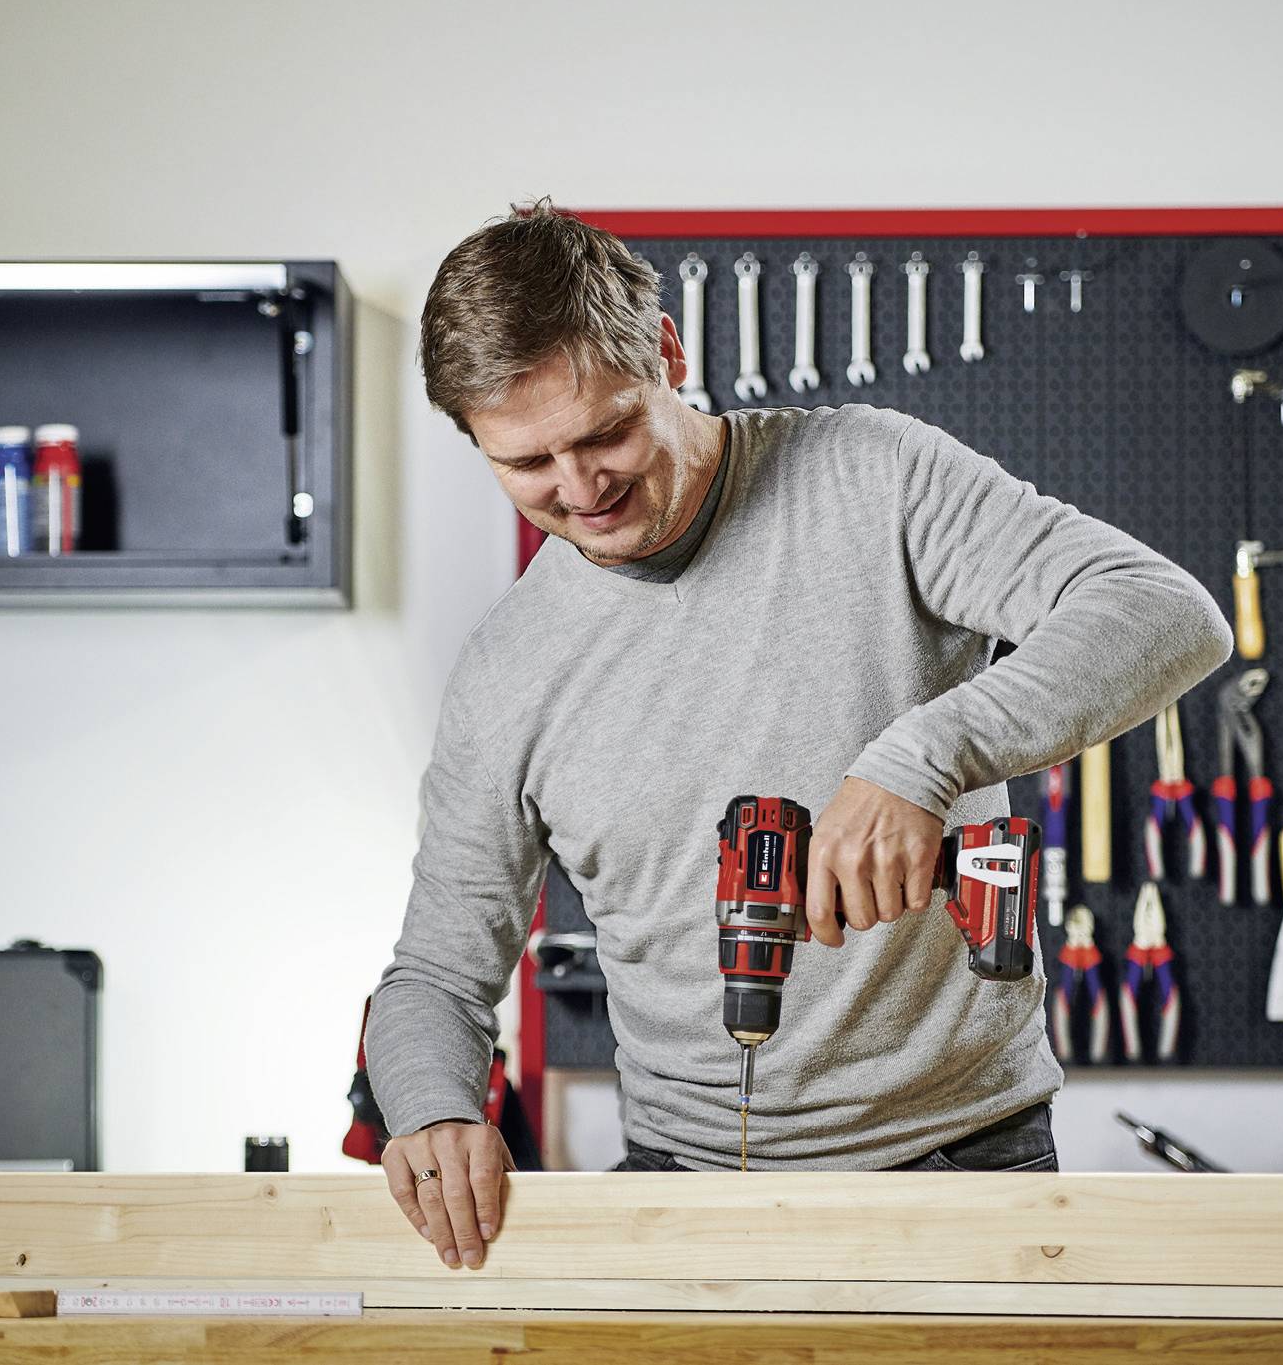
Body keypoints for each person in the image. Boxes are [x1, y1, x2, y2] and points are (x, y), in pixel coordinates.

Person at [366, 200, 1234, 1271]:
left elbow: (1165, 613)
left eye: (605, 432)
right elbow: (435, 977)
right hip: (682, 1188)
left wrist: (923, 756)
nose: (580, 488)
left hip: (960, 1170)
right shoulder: (509, 670)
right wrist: (430, 1107)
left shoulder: (870, 477)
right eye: (526, 463)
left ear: (669, 353)